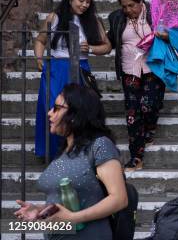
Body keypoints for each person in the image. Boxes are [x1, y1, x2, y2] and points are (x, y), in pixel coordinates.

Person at [15, 84, 128, 240]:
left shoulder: (100, 145)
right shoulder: (65, 151)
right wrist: (41, 210)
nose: (49, 113)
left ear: (76, 114)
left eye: (56, 108)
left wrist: (74, 218)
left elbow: (119, 199)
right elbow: (71, 202)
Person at [33, 0, 111, 159]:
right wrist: (39, 59)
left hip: (80, 67)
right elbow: (40, 40)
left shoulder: (93, 20)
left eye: (88, 2)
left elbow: (107, 47)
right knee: (54, 109)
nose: (85, 5)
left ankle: (79, 153)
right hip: (56, 69)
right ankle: (53, 154)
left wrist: (90, 48)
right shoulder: (55, 17)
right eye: (81, 0)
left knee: (80, 111)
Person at [107, 0, 168, 172]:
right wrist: (93, 47)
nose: (128, 10)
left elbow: (172, 34)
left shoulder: (155, 12)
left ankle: (149, 128)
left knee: (148, 105)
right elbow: (109, 43)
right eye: (124, 6)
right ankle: (136, 157)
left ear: (140, 1)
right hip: (129, 69)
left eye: (131, 5)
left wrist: (164, 35)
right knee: (133, 114)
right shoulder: (116, 18)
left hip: (153, 67)